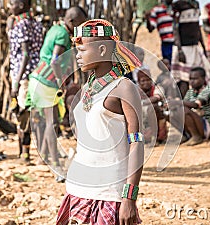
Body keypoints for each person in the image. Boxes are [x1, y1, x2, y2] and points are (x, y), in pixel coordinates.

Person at [56, 19, 143, 225]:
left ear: (102, 49)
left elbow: (136, 142)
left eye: (82, 50)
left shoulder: (124, 88)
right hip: (77, 190)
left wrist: (129, 197)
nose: (76, 55)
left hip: (109, 194)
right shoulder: (87, 90)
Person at [26, 6, 87, 180]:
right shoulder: (62, 34)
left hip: (38, 79)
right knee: (51, 124)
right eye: (81, 24)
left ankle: (42, 158)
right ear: (72, 21)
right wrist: (61, 82)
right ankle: (56, 167)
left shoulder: (55, 28)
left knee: (47, 123)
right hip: (47, 81)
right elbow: (54, 61)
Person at [8, 0, 43, 162]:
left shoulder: (22, 25)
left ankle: (25, 153)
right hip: (33, 74)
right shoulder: (34, 23)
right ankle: (25, 152)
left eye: (12, 3)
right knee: (27, 113)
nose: (9, 7)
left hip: (24, 75)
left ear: (21, 5)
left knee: (22, 114)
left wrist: (16, 81)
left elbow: (25, 54)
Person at [171, 0, 210, 97]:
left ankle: (197, 102)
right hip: (183, 48)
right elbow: (175, 28)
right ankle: (184, 105)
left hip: (195, 46)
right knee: (184, 78)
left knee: (205, 71)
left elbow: (197, 27)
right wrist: (180, 50)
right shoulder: (179, 5)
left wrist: (203, 46)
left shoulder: (196, 4)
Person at [168, 67, 210, 146]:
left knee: (183, 110)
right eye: (190, 79)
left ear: (203, 79)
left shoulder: (207, 89)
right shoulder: (191, 91)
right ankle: (186, 135)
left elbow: (195, 105)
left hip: (206, 124)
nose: (192, 81)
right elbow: (186, 103)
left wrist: (176, 102)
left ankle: (196, 136)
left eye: (195, 79)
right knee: (171, 112)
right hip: (195, 121)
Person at [137, 68, 167, 144]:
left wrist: (142, 102)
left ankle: (156, 138)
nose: (146, 82)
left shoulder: (158, 88)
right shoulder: (136, 91)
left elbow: (157, 97)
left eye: (148, 80)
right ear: (139, 82)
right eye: (143, 81)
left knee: (152, 108)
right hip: (143, 123)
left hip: (158, 119)